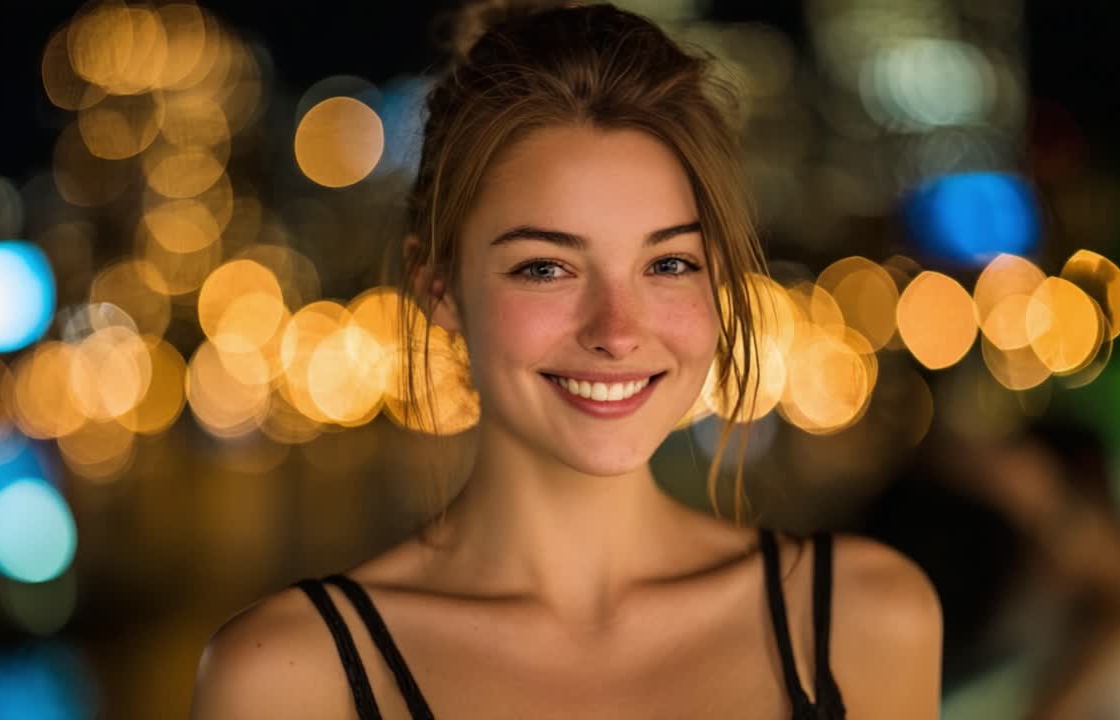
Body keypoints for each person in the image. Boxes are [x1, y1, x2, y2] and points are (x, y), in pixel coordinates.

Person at [189, 3, 942, 717]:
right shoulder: (290, 678)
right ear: (438, 287)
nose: (616, 331)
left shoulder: (864, 622)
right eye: (546, 268)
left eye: (669, 264)